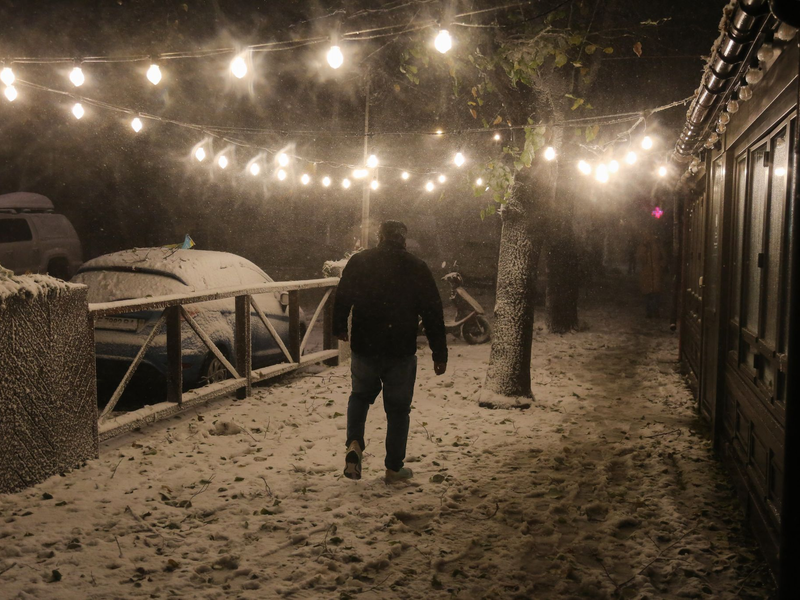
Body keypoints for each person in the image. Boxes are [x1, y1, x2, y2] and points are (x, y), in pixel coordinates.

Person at [333, 220, 448, 483]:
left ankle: (354, 444)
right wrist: (439, 353)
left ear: (379, 237)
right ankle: (394, 468)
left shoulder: (360, 262)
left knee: (360, 396)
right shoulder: (417, 267)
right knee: (398, 410)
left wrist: (339, 326)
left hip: (365, 345)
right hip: (400, 349)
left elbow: (343, 295)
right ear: (403, 240)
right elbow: (432, 312)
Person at [636, 228, 666, 318]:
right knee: (648, 294)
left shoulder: (658, 245)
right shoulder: (642, 246)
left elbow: (664, 257)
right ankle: (649, 312)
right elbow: (640, 259)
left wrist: (661, 266)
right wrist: (644, 249)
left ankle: (656, 311)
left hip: (656, 273)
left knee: (656, 294)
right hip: (647, 273)